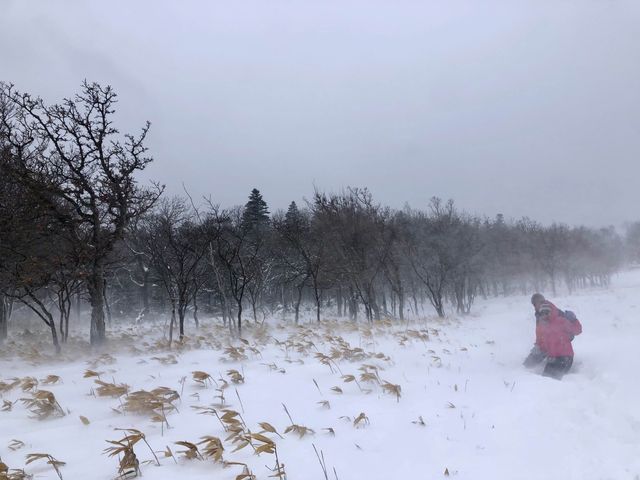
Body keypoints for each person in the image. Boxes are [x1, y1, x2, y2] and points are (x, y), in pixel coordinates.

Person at [523, 293, 582, 379]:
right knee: (542, 378)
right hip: (552, 357)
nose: (544, 315)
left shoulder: (560, 320)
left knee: (549, 380)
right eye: (542, 314)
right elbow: (541, 340)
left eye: (546, 313)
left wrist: (573, 320)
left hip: (564, 357)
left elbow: (576, 330)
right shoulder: (541, 325)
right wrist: (537, 347)